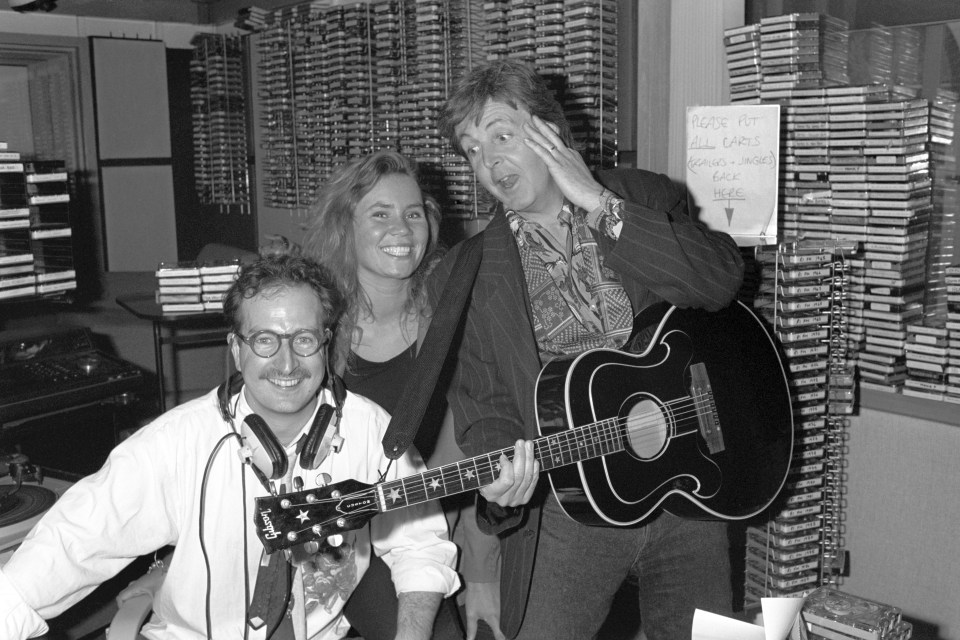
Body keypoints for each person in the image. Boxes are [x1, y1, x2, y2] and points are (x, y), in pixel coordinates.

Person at [430, 60, 747, 640]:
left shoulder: (643, 195)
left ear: (550, 130)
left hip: (689, 483)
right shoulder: (463, 275)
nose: (489, 162)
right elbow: (487, 406)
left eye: (501, 135)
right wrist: (501, 486)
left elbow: (719, 279)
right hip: (572, 507)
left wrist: (603, 207)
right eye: (472, 150)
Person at [0, 254, 459, 640]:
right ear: (237, 350)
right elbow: (71, 544)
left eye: (303, 339)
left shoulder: (370, 430)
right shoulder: (177, 443)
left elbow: (422, 545)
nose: (286, 362)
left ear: (325, 344)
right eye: (264, 340)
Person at [302, 150, 504, 640]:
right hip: (347, 534)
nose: (403, 228)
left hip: (450, 528)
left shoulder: (454, 318)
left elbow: (485, 452)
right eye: (380, 213)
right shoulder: (311, 326)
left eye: (414, 213)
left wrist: (480, 573)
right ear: (343, 227)